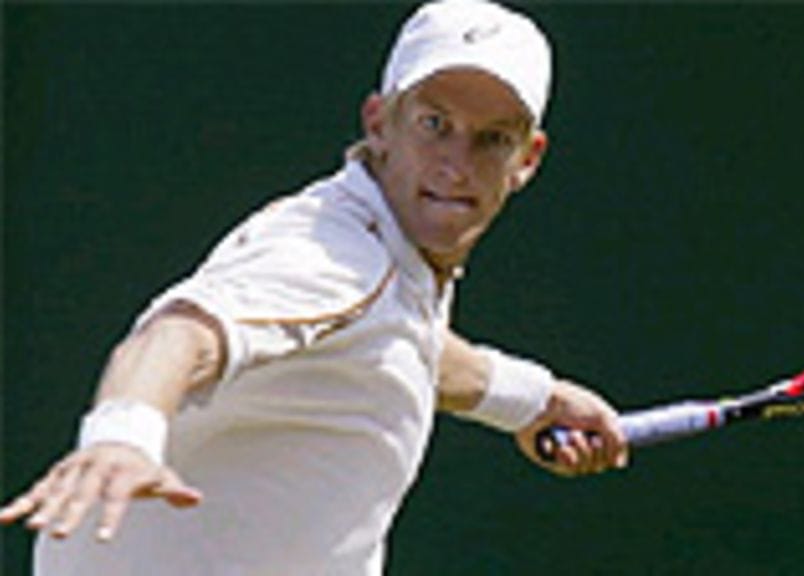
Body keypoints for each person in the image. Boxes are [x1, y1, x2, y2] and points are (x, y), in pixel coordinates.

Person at [0, 0, 629, 574]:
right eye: (434, 123)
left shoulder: (378, 263)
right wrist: (122, 436)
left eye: (492, 139)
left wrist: (530, 399)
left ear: (527, 159)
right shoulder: (330, 261)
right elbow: (180, 334)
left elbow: (395, 339)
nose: (456, 165)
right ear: (380, 123)